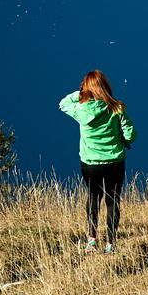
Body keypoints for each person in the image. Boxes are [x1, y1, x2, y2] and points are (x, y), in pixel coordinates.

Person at [59, 69, 135, 253]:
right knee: (112, 201)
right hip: (114, 161)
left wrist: (82, 92)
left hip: (90, 163)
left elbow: (63, 103)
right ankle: (110, 244)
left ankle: (91, 240)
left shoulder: (80, 109)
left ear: (87, 89)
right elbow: (131, 135)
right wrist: (124, 141)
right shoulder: (117, 108)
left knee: (93, 197)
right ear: (105, 86)